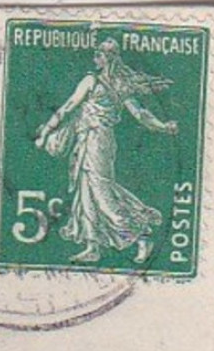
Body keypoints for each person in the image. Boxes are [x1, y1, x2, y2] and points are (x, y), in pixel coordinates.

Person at [34, 38, 178, 265]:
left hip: (98, 140)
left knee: (101, 191)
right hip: (89, 139)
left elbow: (69, 106)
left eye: (98, 55)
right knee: (86, 191)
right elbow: (140, 114)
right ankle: (92, 246)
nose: (94, 58)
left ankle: (141, 236)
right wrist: (162, 126)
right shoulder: (117, 84)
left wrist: (45, 133)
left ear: (107, 57)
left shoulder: (95, 81)